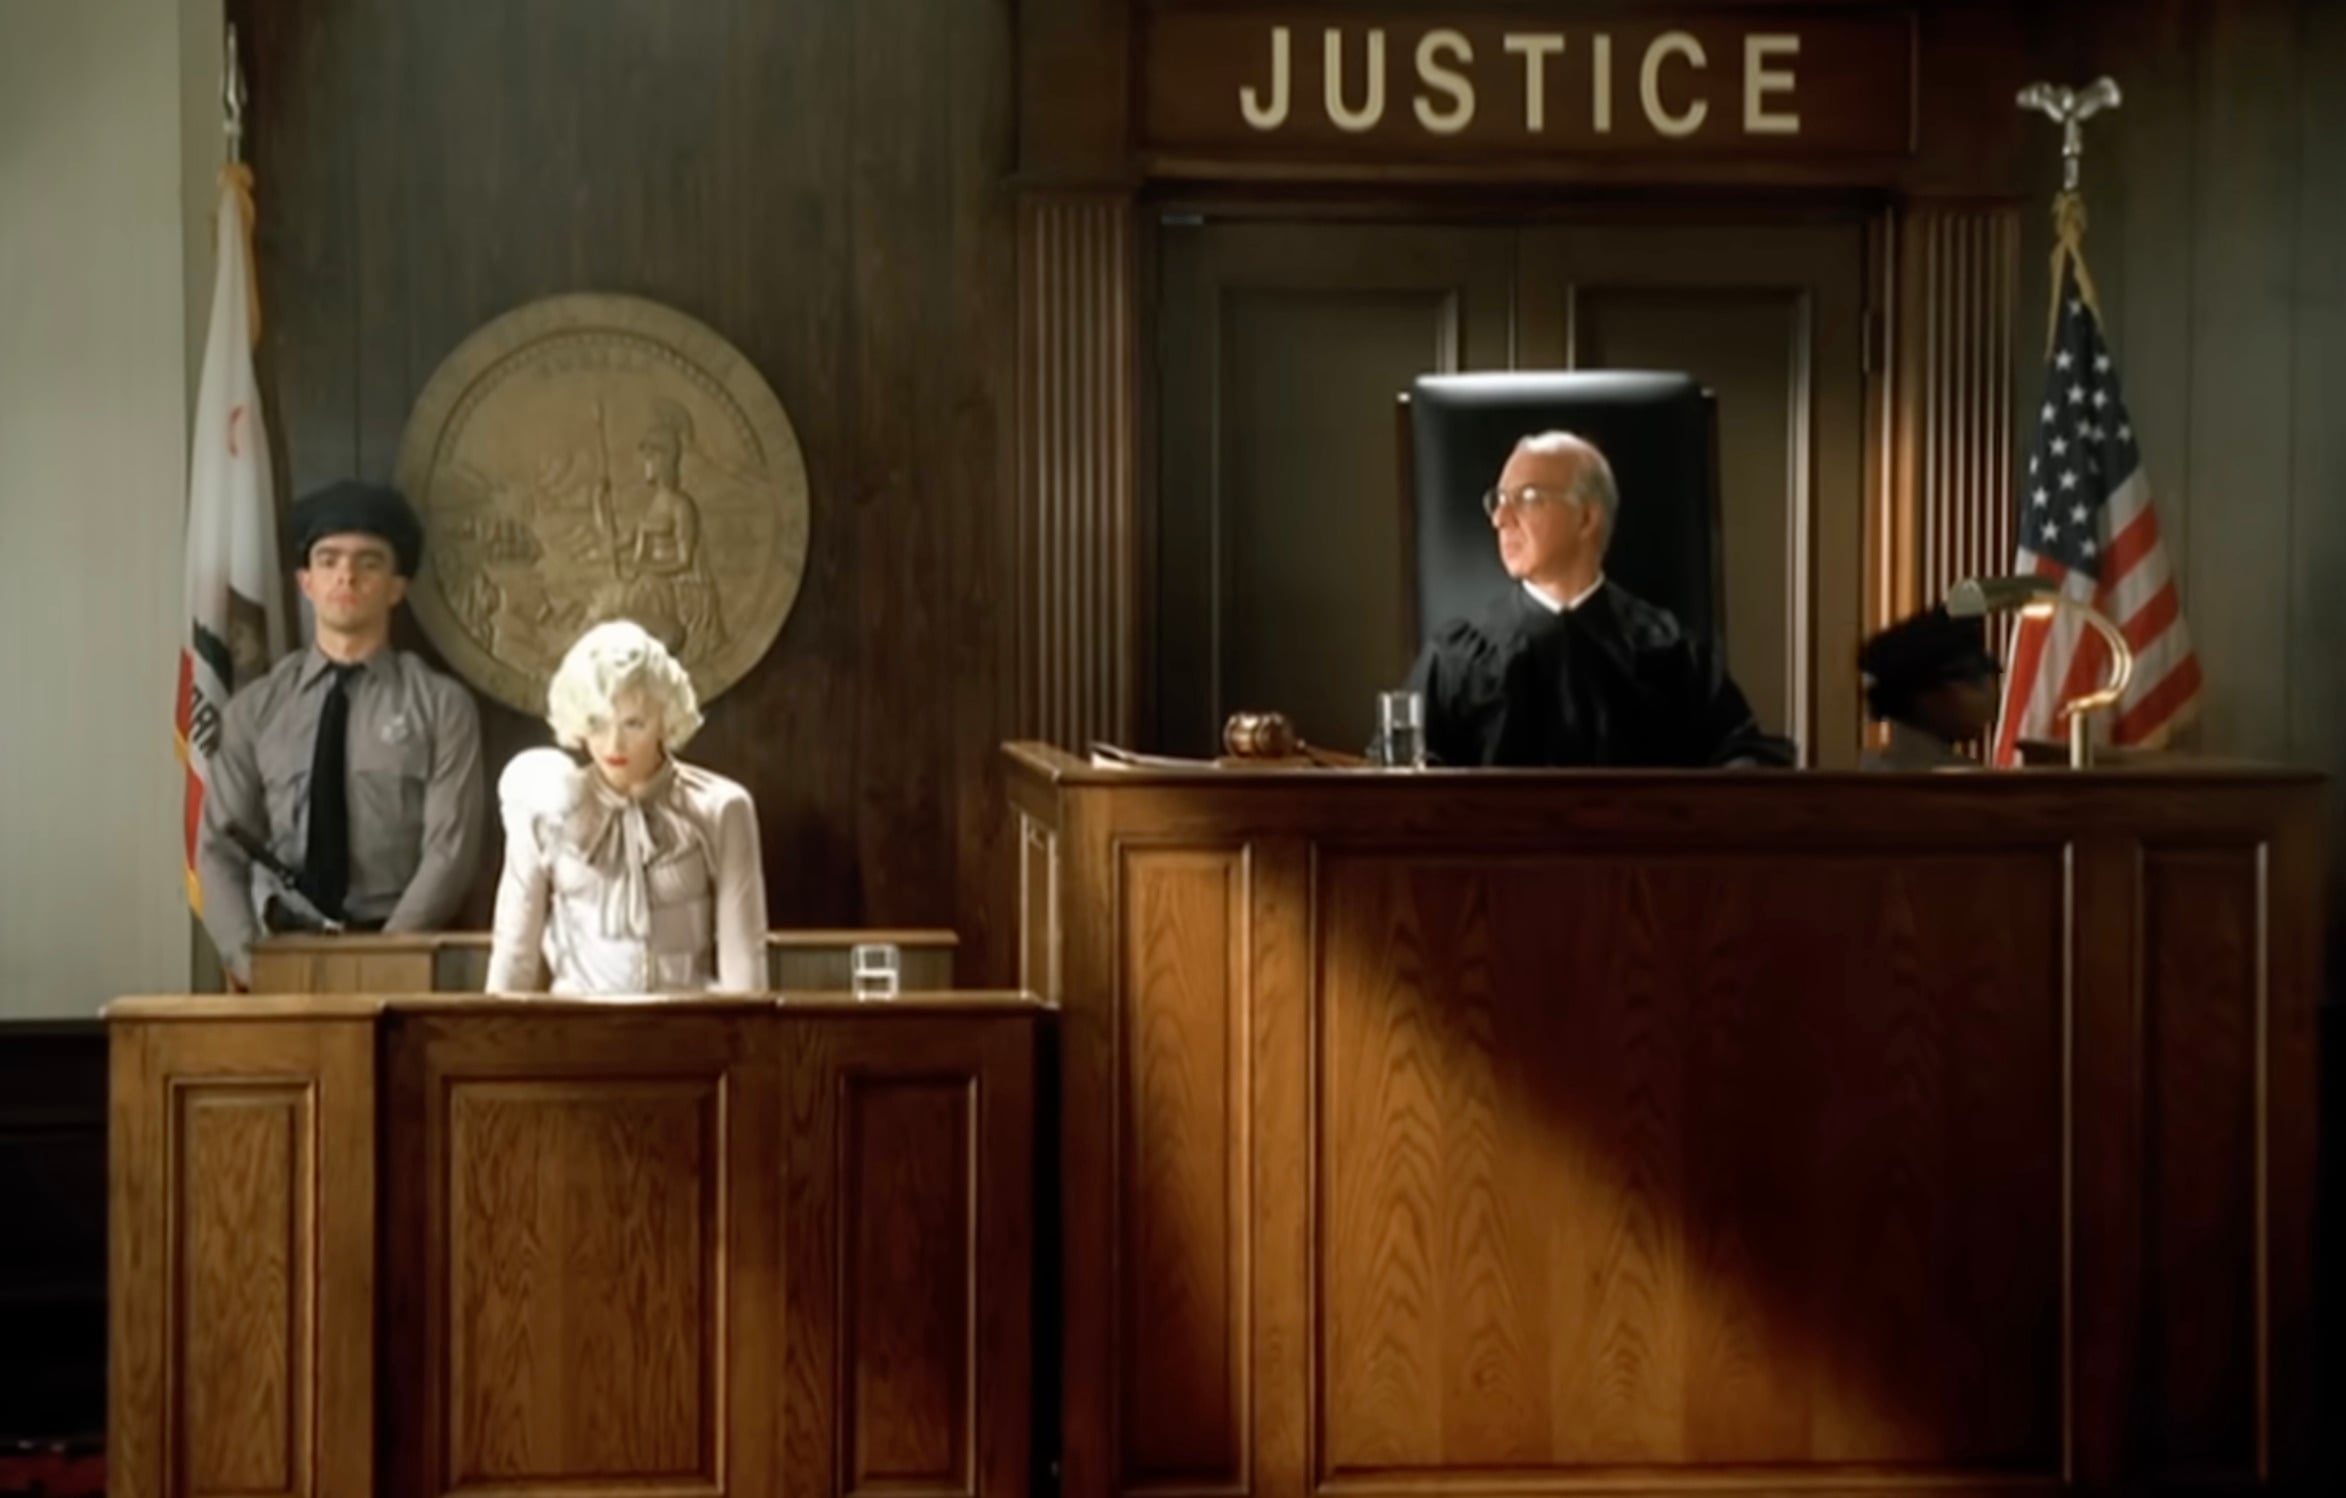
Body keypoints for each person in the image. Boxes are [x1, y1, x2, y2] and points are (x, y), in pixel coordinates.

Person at [196, 481, 486, 985]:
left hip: (402, 957)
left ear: (397, 585)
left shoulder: (442, 707)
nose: (346, 576)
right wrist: (247, 962)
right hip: (281, 956)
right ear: (306, 582)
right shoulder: (256, 710)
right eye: (328, 561)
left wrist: (386, 962)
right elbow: (220, 849)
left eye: (368, 562)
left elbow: (450, 852)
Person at [1403, 431, 1796, 769]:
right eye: (1498, 500)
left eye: (1527, 497)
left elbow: (1741, 751)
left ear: (1587, 519)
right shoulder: (1458, 657)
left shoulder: (1669, 651)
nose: (1500, 519)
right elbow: (1403, 770)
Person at [485, 619, 766, 995]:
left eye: (633, 723)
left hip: (691, 1034)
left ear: (664, 719)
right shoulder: (545, 809)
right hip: (572, 1036)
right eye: (597, 723)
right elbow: (514, 953)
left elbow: (744, 960)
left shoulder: (722, 808)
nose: (613, 744)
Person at [1857, 605, 2004, 770]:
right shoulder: (1972, 786)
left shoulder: (1862, 771)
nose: (1992, 691)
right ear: (1924, 695)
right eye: (1974, 679)